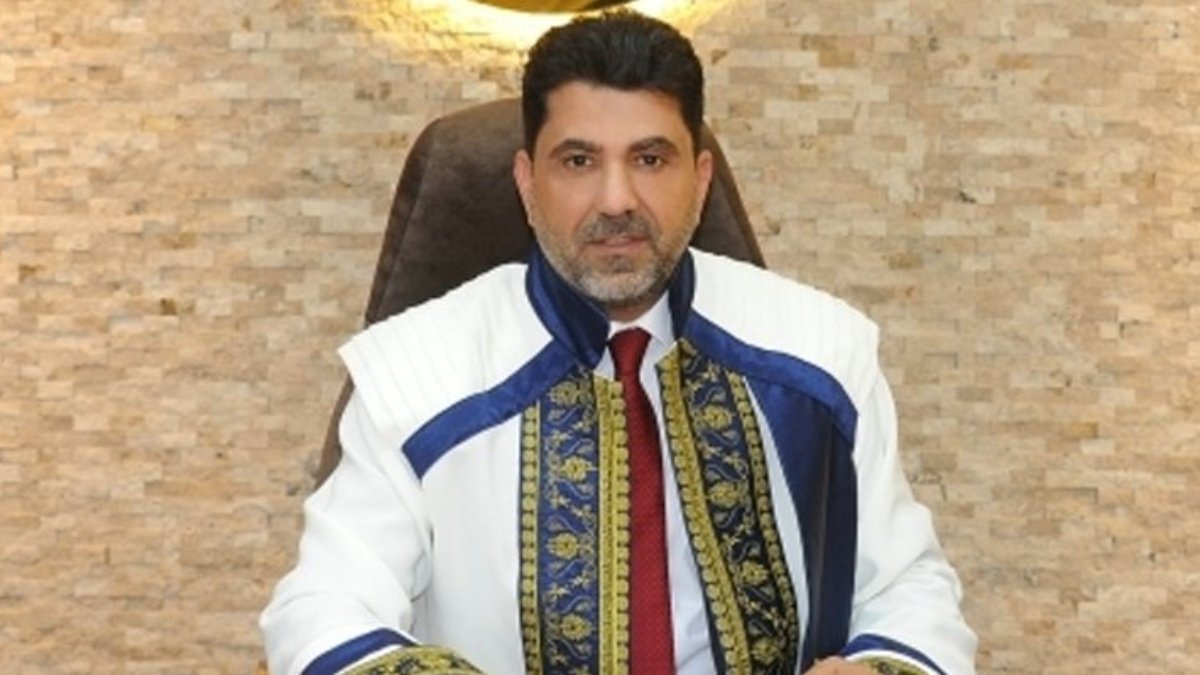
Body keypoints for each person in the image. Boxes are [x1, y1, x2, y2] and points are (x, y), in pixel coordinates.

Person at [261, 10, 977, 675]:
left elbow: (908, 584)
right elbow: (321, 611)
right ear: (527, 183)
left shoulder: (823, 353)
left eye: (650, 159)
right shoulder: (410, 378)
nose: (616, 200)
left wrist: (881, 666)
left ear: (700, 180)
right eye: (578, 161)